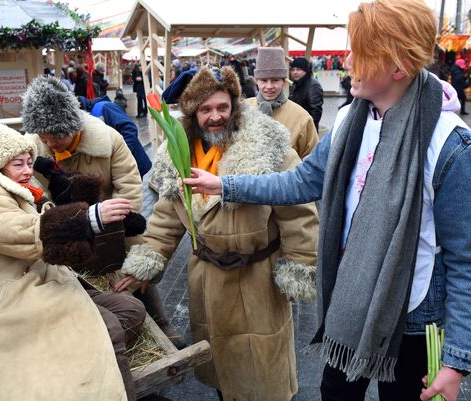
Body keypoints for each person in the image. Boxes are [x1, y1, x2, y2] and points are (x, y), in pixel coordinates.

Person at [184, 1, 471, 401]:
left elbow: (467, 260)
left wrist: (455, 362)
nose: (347, 59)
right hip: (351, 301)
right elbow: (302, 181)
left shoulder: (451, 145)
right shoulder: (349, 121)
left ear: (397, 66)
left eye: (359, 51)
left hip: (412, 313)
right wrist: (226, 186)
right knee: (335, 392)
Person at [115, 66, 319, 401]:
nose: (215, 117)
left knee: (263, 374)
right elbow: (167, 217)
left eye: (222, 107)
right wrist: (146, 261)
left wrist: (297, 267)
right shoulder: (176, 154)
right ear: (193, 113)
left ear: (235, 106)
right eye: (206, 110)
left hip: (257, 279)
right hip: (207, 280)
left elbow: (298, 214)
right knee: (225, 369)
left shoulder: (270, 148)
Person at [0, 118, 146, 401]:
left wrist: (104, 218)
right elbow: (16, 232)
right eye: (18, 164)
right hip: (7, 299)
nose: (27, 170)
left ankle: (66, 357)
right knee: (108, 327)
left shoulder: (23, 193)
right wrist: (88, 218)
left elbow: (48, 219)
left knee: (131, 310)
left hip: (42, 284)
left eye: (29, 162)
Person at [22, 75, 183, 349]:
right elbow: (34, 195)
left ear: (72, 125)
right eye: (43, 135)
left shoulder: (108, 139)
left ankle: (160, 323)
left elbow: (129, 185)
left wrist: (116, 226)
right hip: (66, 230)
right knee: (77, 282)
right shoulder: (32, 149)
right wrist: (72, 223)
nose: (50, 142)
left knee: (133, 265)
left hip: (115, 222)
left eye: (57, 135)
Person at [246, 47, 319, 158]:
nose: (269, 86)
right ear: (257, 81)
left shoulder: (301, 117)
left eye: (275, 80)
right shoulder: (242, 110)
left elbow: (313, 158)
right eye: (264, 80)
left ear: (283, 82)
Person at [78, 94, 152, 178]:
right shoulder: (92, 114)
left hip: (130, 164)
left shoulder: (104, 107)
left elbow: (129, 129)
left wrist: (120, 156)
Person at [289, 57, 324, 131]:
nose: (295, 72)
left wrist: (306, 128)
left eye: (298, 69)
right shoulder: (296, 84)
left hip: (306, 130)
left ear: (305, 71)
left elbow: (316, 112)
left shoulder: (313, 85)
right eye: (293, 69)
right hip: (297, 127)